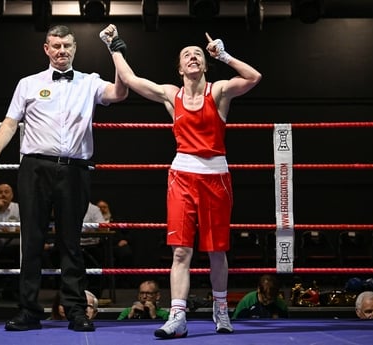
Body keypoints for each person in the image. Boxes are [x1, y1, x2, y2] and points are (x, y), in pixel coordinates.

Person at [99, 24, 262, 338]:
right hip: (182, 177)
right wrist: (113, 46)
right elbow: (131, 81)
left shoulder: (219, 91)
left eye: (198, 54)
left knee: (217, 251)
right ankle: (177, 316)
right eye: (187, 54)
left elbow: (254, 77)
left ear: (205, 63)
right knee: (180, 251)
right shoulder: (170, 95)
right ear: (179, 67)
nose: (193, 57)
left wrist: (224, 55)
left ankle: (221, 309)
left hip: (216, 177)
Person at [0, 24, 128, 332]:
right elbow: (9, 123)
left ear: (75, 48)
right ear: (46, 49)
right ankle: (29, 310)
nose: (61, 51)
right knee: (31, 240)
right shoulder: (28, 83)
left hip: (75, 169)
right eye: (55, 46)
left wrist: (116, 49)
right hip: (34, 168)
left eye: (67, 46)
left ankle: (75, 310)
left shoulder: (90, 82)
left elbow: (120, 92)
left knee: (71, 242)